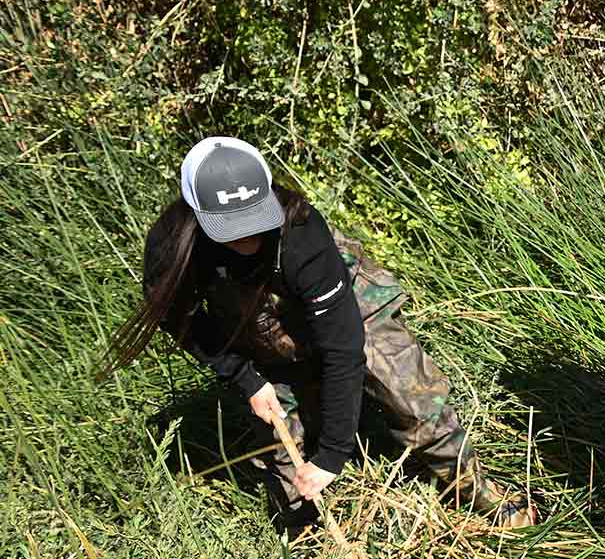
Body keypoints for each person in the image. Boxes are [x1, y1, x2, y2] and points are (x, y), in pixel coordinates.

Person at [102, 136, 534, 530]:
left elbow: (343, 347)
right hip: (260, 331)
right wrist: (244, 377)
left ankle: (482, 497)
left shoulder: (302, 233)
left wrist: (332, 455)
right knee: (288, 475)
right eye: (231, 229)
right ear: (198, 214)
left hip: (349, 310)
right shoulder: (171, 247)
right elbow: (181, 321)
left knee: (412, 397)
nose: (248, 237)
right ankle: (311, 550)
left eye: (254, 219)